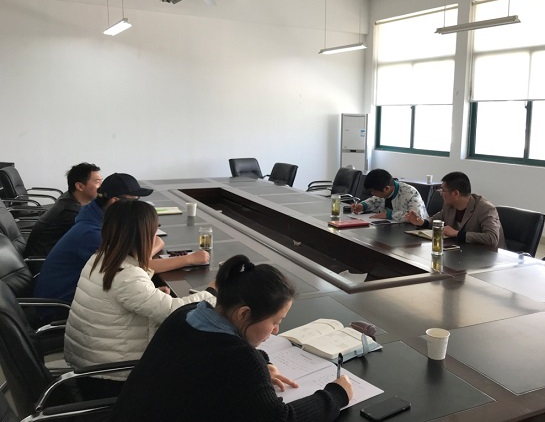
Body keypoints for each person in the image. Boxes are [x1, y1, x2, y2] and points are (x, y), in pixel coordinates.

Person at [112, 255, 352, 421]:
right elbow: (281, 418)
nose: (276, 331)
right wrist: (335, 395)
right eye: (275, 321)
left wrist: (264, 364)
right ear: (244, 314)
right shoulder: (240, 359)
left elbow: (216, 355)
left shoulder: (186, 314)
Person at [63, 199, 217, 398]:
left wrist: (152, 295)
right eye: (153, 232)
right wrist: (212, 293)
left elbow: (123, 298)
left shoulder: (99, 258)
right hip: (113, 378)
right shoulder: (127, 275)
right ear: (141, 236)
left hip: (89, 366)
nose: (155, 236)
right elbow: (174, 312)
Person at [33, 172, 209, 305]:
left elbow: (147, 252)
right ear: (115, 202)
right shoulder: (93, 235)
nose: (139, 206)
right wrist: (189, 259)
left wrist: (145, 253)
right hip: (61, 306)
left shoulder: (95, 216)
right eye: (135, 201)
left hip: (81, 296)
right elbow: (138, 267)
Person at [406, 171, 506, 250]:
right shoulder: (450, 205)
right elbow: (437, 218)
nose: (440, 193)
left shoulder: (485, 209)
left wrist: (457, 233)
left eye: (443, 190)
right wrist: (422, 222)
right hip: (463, 252)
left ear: (456, 194)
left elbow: (492, 238)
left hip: (489, 258)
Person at [24, 162, 102, 257]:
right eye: (97, 182)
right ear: (80, 186)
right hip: (43, 261)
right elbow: (93, 239)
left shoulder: (70, 197)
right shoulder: (69, 212)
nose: (102, 186)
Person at [349, 169, 427, 222]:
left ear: (386, 188)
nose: (372, 194)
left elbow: (416, 217)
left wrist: (389, 215)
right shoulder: (384, 192)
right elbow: (375, 201)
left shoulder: (410, 193)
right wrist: (362, 206)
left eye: (374, 192)